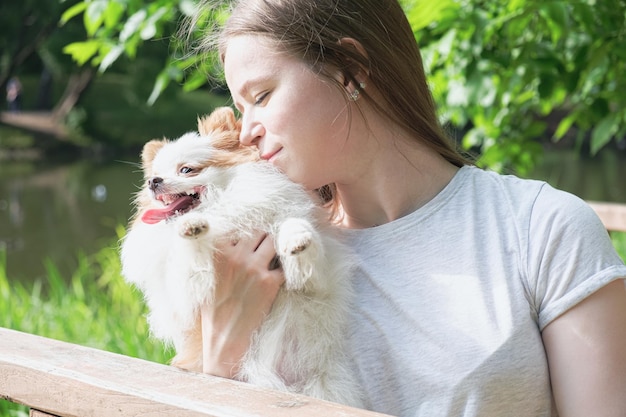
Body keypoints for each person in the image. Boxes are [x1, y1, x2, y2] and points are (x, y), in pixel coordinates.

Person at [188, 1, 626, 416]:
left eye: (261, 96)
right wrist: (223, 355)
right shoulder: (258, 261)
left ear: (349, 71)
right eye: (240, 108)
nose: (245, 133)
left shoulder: (540, 228)